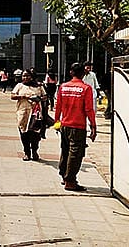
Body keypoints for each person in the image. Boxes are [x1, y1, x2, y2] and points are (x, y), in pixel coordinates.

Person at [54, 62, 97, 191]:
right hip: (78, 126)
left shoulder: (63, 87)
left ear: (71, 72)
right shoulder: (86, 88)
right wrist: (93, 126)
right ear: (83, 73)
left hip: (65, 125)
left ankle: (64, 176)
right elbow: (89, 109)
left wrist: (57, 122)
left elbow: (58, 107)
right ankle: (70, 181)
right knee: (75, 154)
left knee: (65, 151)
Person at [11, 69, 47, 161]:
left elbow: (45, 96)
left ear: (31, 76)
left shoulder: (39, 86)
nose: (25, 78)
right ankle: (27, 152)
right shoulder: (19, 86)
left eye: (27, 76)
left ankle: (34, 151)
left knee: (35, 134)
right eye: (24, 76)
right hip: (23, 113)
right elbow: (13, 96)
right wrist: (24, 97)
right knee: (24, 133)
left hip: (36, 114)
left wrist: (38, 99)